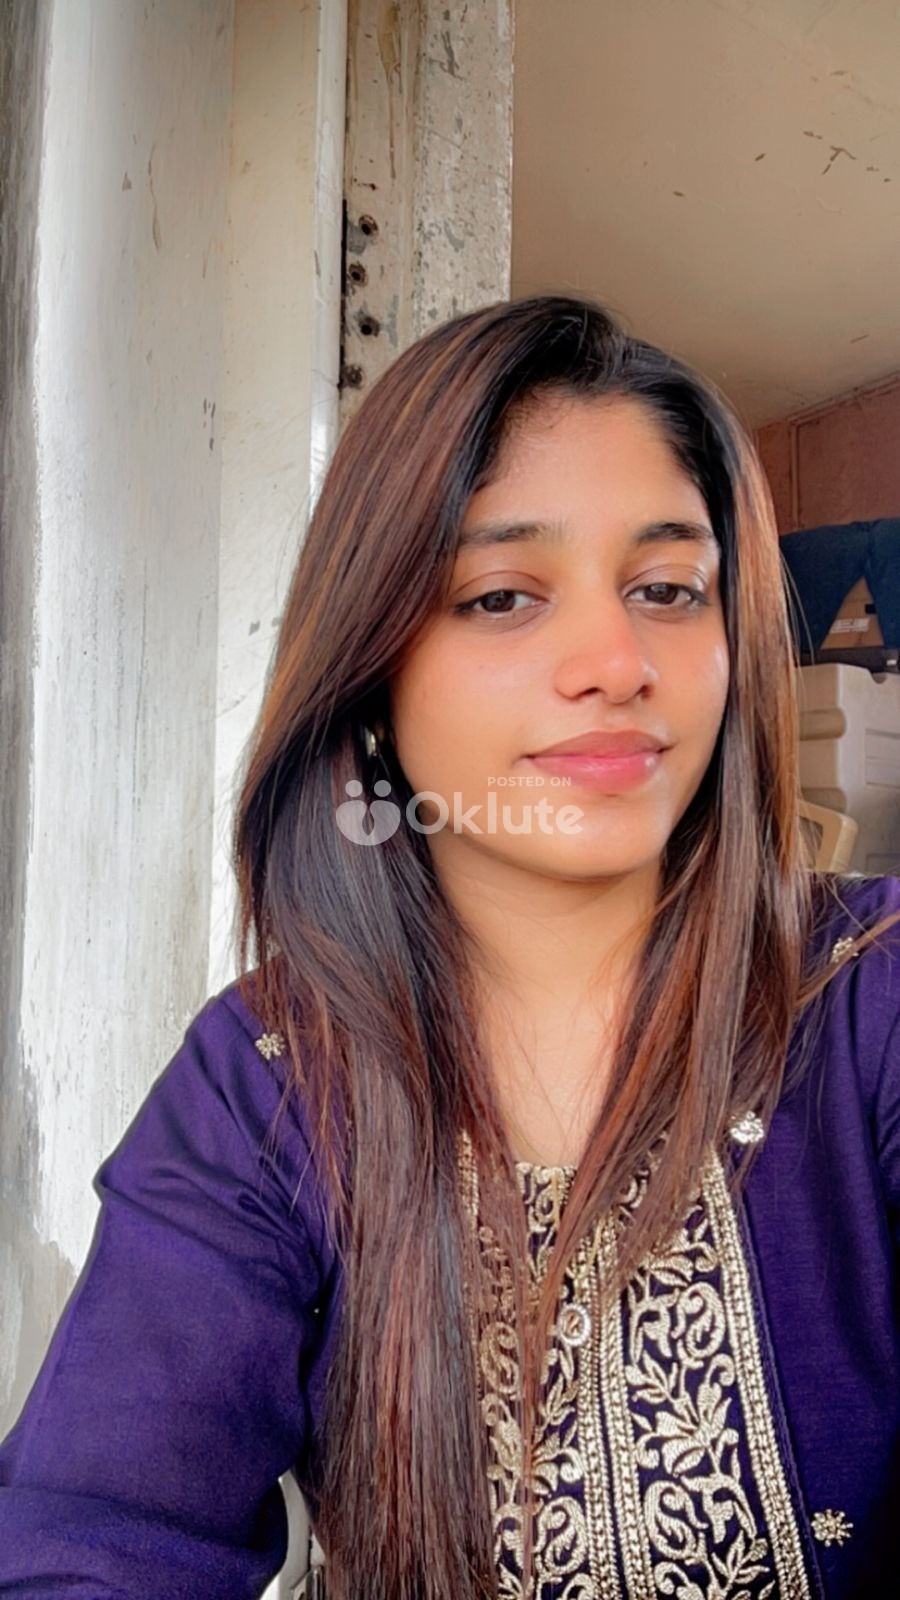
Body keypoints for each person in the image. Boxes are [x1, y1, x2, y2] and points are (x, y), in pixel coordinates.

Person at [2, 294, 900, 1600]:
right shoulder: (268, 1079)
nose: (615, 661)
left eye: (667, 589)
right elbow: (89, 1536)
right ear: (373, 675)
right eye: (502, 595)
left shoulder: (869, 997)